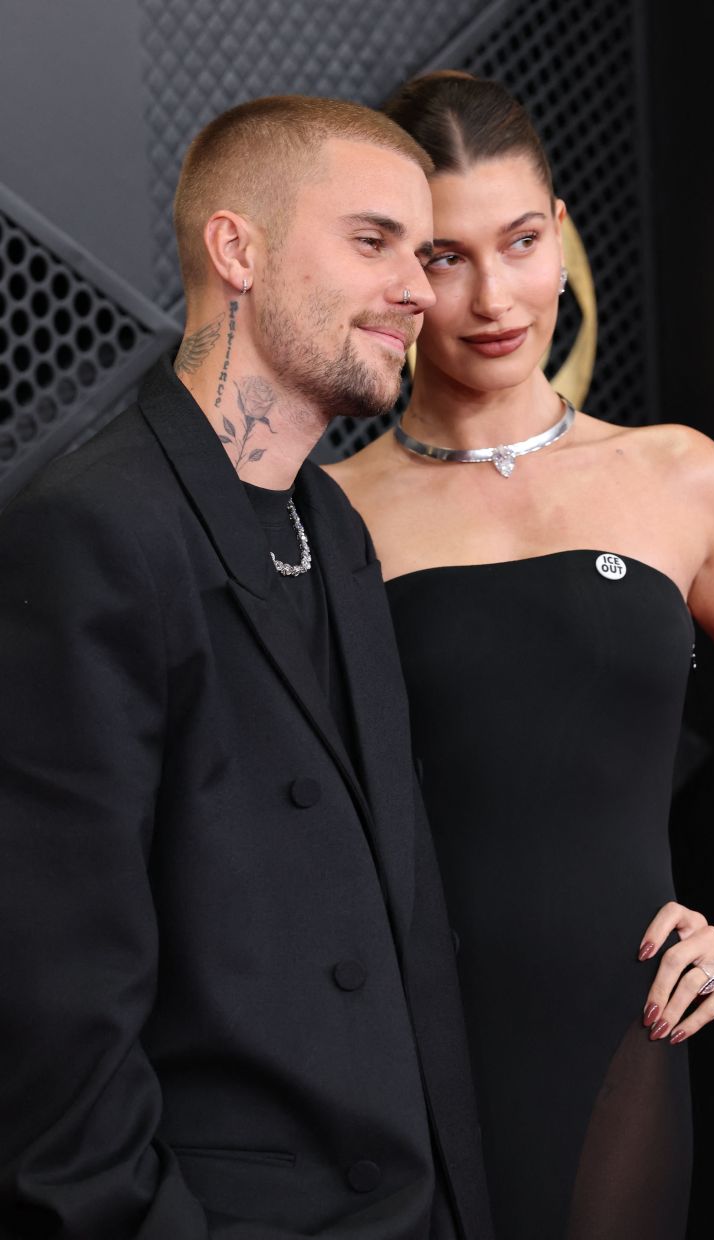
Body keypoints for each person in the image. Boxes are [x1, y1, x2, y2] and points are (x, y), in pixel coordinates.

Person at [327, 72, 714, 1240]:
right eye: (445, 258)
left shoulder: (676, 476)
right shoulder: (328, 513)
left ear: (559, 236)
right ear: (396, 272)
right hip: (392, 1047)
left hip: (618, 1030)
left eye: (517, 243)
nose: (494, 296)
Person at [0, 95, 495, 1240]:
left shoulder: (337, 526)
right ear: (239, 250)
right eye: (373, 243)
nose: (421, 291)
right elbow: (49, 1021)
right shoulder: (91, 534)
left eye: (420, 255)